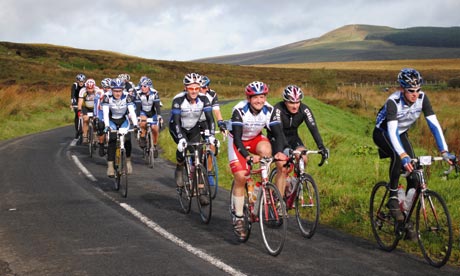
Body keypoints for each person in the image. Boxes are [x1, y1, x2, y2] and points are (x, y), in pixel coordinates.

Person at [373, 68, 456, 222]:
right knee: (399, 157)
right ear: (402, 89)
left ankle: (405, 217)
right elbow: (392, 131)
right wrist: (403, 155)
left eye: (418, 90)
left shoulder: (423, 99)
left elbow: (434, 126)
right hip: (383, 133)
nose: (415, 94)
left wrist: (444, 151)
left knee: (415, 174)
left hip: (401, 133)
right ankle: (392, 197)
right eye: (411, 90)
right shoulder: (393, 102)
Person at [228, 81, 288, 241]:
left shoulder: (270, 110)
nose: (259, 101)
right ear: (249, 98)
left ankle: (264, 183)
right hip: (237, 141)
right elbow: (238, 139)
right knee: (241, 176)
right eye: (255, 97)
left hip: (255, 138)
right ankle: (239, 216)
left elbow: (278, 133)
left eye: (262, 97)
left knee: (267, 151)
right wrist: (247, 156)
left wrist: (280, 152)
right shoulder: (239, 110)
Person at [269, 85, 329, 199]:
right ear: (285, 101)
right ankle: (279, 200)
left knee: (303, 157)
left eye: (297, 102)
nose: (295, 105)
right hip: (277, 138)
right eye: (292, 103)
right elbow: (278, 131)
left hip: (293, 137)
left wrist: (321, 146)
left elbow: (313, 128)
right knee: (282, 167)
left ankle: (293, 183)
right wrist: (285, 148)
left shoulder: (304, 109)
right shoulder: (278, 109)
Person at [169, 73, 216, 206]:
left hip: (194, 128)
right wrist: (180, 139)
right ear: (185, 88)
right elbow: (177, 121)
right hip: (178, 127)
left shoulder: (204, 99)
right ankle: (179, 167)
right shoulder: (178, 100)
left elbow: (209, 118)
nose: (194, 91)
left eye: (197, 88)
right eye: (191, 88)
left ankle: (200, 191)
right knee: (183, 151)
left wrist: (211, 135)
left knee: (199, 156)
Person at [102, 78, 138, 177]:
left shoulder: (127, 97)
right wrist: (107, 126)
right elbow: (105, 113)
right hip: (111, 119)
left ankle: (128, 161)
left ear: (123, 90)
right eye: (115, 91)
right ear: (111, 90)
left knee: (127, 139)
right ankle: (110, 166)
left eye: (120, 91)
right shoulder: (106, 97)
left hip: (123, 120)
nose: (117, 93)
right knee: (112, 140)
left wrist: (135, 125)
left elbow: (132, 112)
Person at [199, 75, 226, 186]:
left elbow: (216, 111)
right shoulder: (191, 94)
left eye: (204, 88)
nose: (202, 90)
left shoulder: (212, 94)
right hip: (193, 122)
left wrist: (221, 123)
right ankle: (195, 162)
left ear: (208, 87)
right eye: (200, 88)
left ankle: (209, 172)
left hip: (207, 122)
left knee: (212, 146)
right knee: (197, 146)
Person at [135, 77, 162, 157]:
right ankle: (143, 137)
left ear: (149, 87)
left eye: (144, 86)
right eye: (141, 86)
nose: (142, 88)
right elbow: (138, 106)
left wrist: (159, 116)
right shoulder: (138, 93)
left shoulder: (155, 93)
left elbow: (157, 106)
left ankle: (154, 145)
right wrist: (138, 116)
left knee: (155, 128)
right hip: (143, 111)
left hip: (152, 112)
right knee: (143, 122)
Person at [77, 78, 99, 144]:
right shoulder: (82, 90)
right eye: (88, 88)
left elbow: (100, 101)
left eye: (91, 88)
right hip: (86, 107)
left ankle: (95, 134)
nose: (89, 90)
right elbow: (80, 102)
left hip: (95, 107)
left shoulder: (97, 90)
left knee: (96, 120)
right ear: (86, 87)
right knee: (85, 119)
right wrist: (79, 110)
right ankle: (85, 136)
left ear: (94, 87)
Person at [95, 78, 112, 156]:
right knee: (101, 126)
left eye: (109, 87)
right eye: (106, 87)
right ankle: (101, 145)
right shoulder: (99, 93)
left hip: (111, 112)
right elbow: (96, 105)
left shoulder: (114, 92)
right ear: (103, 87)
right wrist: (96, 116)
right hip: (101, 112)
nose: (108, 89)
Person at [70, 73, 86, 139]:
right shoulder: (75, 85)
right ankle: (77, 130)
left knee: (85, 115)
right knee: (77, 115)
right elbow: (73, 95)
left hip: (84, 102)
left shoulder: (86, 86)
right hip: (76, 102)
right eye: (79, 81)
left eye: (82, 81)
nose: (81, 82)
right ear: (77, 81)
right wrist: (73, 104)